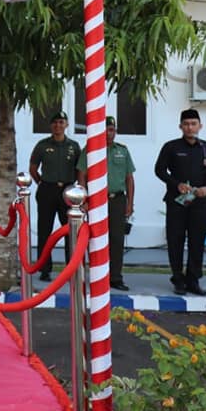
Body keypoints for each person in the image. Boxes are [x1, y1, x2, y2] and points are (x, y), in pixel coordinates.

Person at [154, 108, 206, 296]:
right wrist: (175, 184)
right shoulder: (171, 147)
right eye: (186, 124)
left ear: (200, 126)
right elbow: (159, 170)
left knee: (197, 241)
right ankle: (178, 279)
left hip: (200, 202)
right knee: (175, 240)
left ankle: (193, 279)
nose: (190, 127)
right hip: (176, 201)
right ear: (180, 126)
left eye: (193, 124)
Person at [77, 116, 135, 291]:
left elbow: (129, 179)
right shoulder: (90, 150)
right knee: (95, 239)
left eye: (111, 129)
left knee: (117, 240)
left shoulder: (123, 151)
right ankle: (96, 275)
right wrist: (84, 199)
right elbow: (81, 175)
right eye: (105, 129)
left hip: (117, 200)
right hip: (96, 201)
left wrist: (130, 204)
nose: (109, 133)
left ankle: (115, 277)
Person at [29, 110, 81, 281]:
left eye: (61, 122)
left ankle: (71, 268)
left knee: (70, 231)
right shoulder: (42, 145)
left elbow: (79, 170)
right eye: (55, 122)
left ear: (66, 125)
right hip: (47, 190)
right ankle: (45, 268)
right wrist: (42, 183)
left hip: (67, 191)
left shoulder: (73, 146)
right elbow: (33, 169)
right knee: (45, 230)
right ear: (51, 125)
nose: (58, 125)